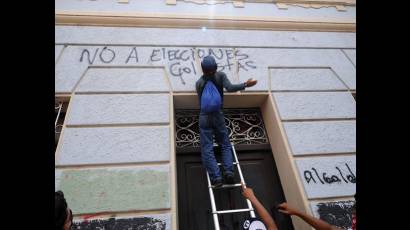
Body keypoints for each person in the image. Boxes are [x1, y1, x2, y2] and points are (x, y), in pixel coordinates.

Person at [196, 55, 257, 187]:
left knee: (207, 148)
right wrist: (245, 84)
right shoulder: (220, 76)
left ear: (202, 69)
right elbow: (229, 88)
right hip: (218, 115)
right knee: (224, 144)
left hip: (204, 116)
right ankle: (229, 172)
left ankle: (216, 178)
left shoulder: (199, 83)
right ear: (215, 67)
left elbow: (200, 101)